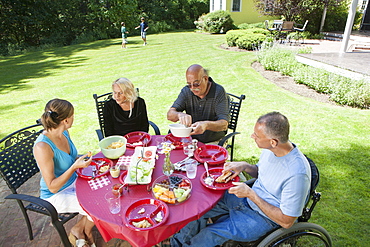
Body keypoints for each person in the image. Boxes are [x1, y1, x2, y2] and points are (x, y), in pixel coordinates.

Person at [171, 112, 312, 247]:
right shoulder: (274, 149)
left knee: (210, 233)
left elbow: (287, 221)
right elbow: (263, 173)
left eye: (256, 135)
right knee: (200, 207)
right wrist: (245, 166)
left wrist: (251, 194)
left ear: (273, 142)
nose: (252, 136)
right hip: (246, 200)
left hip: (264, 219)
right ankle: (175, 244)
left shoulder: (297, 174)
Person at [33, 99, 95, 247]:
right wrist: (74, 167)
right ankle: (88, 233)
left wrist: (84, 159)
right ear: (66, 120)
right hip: (55, 195)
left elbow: (70, 157)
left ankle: (78, 229)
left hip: (73, 181)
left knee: (103, 191)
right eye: (73, 115)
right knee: (95, 205)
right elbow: (52, 186)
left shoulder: (65, 132)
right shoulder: (42, 147)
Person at [167, 64, 229, 143]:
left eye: (196, 84)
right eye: (189, 84)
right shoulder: (187, 91)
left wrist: (206, 125)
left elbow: (224, 124)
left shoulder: (218, 92)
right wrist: (179, 114)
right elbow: (170, 115)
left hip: (211, 140)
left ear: (205, 79)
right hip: (189, 138)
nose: (192, 88)